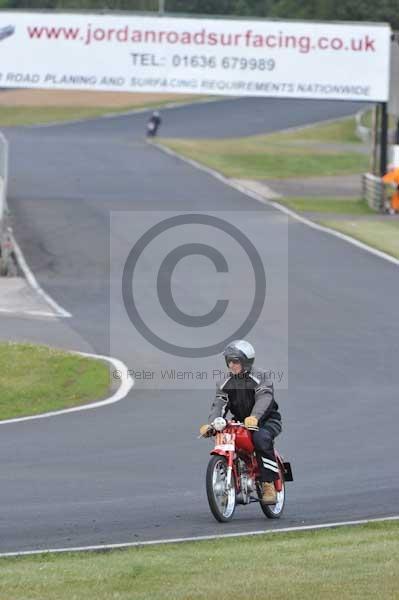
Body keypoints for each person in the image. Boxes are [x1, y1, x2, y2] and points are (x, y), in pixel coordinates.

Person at [200, 340, 282, 505]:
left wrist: (255, 417)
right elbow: (219, 404)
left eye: (235, 361)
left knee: (261, 439)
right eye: (229, 361)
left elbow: (264, 398)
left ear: (246, 361)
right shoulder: (225, 383)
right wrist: (212, 423)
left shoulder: (260, 377)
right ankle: (231, 479)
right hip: (240, 423)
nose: (231, 364)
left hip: (266, 421)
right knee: (226, 437)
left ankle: (268, 485)